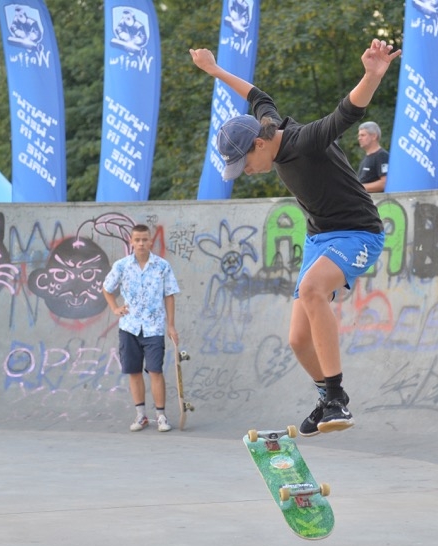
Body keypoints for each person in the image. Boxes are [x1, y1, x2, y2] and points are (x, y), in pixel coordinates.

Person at [189, 39, 401, 435]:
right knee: (297, 340)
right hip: (321, 238)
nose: (247, 172)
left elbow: (347, 112)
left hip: (359, 232)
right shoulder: (265, 122)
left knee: (311, 290)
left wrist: (372, 75)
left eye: (246, 163)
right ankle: (324, 396)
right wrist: (215, 71)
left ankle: (337, 398)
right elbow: (257, 95)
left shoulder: (305, 141)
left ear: (258, 144)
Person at [102, 224, 180, 432]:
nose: (141, 243)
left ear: (151, 241)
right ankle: (140, 415)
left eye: (145, 239)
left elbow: (169, 295)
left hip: (154, 327)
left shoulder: (162, 266)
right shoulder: (122, 266)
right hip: (129, 327)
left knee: (155, 370)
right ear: (131, 242)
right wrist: (115, 308)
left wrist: (171, 325)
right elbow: (107, 288)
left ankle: (161, 416)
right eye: (137, 240)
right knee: (134, 371)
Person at [356, 121, 389, 193]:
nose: (359, 138)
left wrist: (357, 187)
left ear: (374, 136)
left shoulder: (381, 156)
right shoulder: (366, 157)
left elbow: (384, 183)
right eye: (359, 135)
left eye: (363, 135)